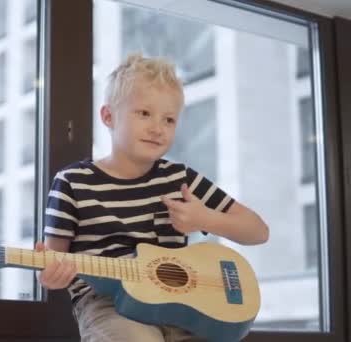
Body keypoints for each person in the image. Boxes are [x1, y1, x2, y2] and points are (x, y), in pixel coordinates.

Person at [35, 53, 269, 342]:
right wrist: (49, 276)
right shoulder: (72, 182)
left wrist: (204, 218)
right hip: (109, 305)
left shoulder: (179, 179)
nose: (158, 128)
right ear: (108, 116)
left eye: (169, 119)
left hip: (183, 306)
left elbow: (258, 231)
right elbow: (51, 262)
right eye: (144, 113)